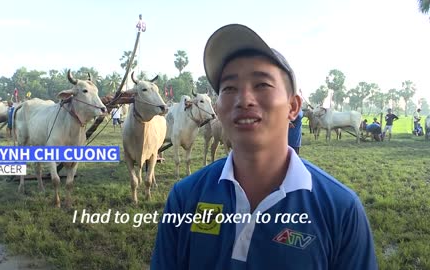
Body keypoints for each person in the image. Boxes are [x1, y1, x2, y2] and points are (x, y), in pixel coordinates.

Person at [151, 24, 377, 269]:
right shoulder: (185, 198)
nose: (244, 99)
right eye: (229, 88)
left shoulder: (341, 210)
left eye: (262, 85)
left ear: (293, 107)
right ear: (218, 108)